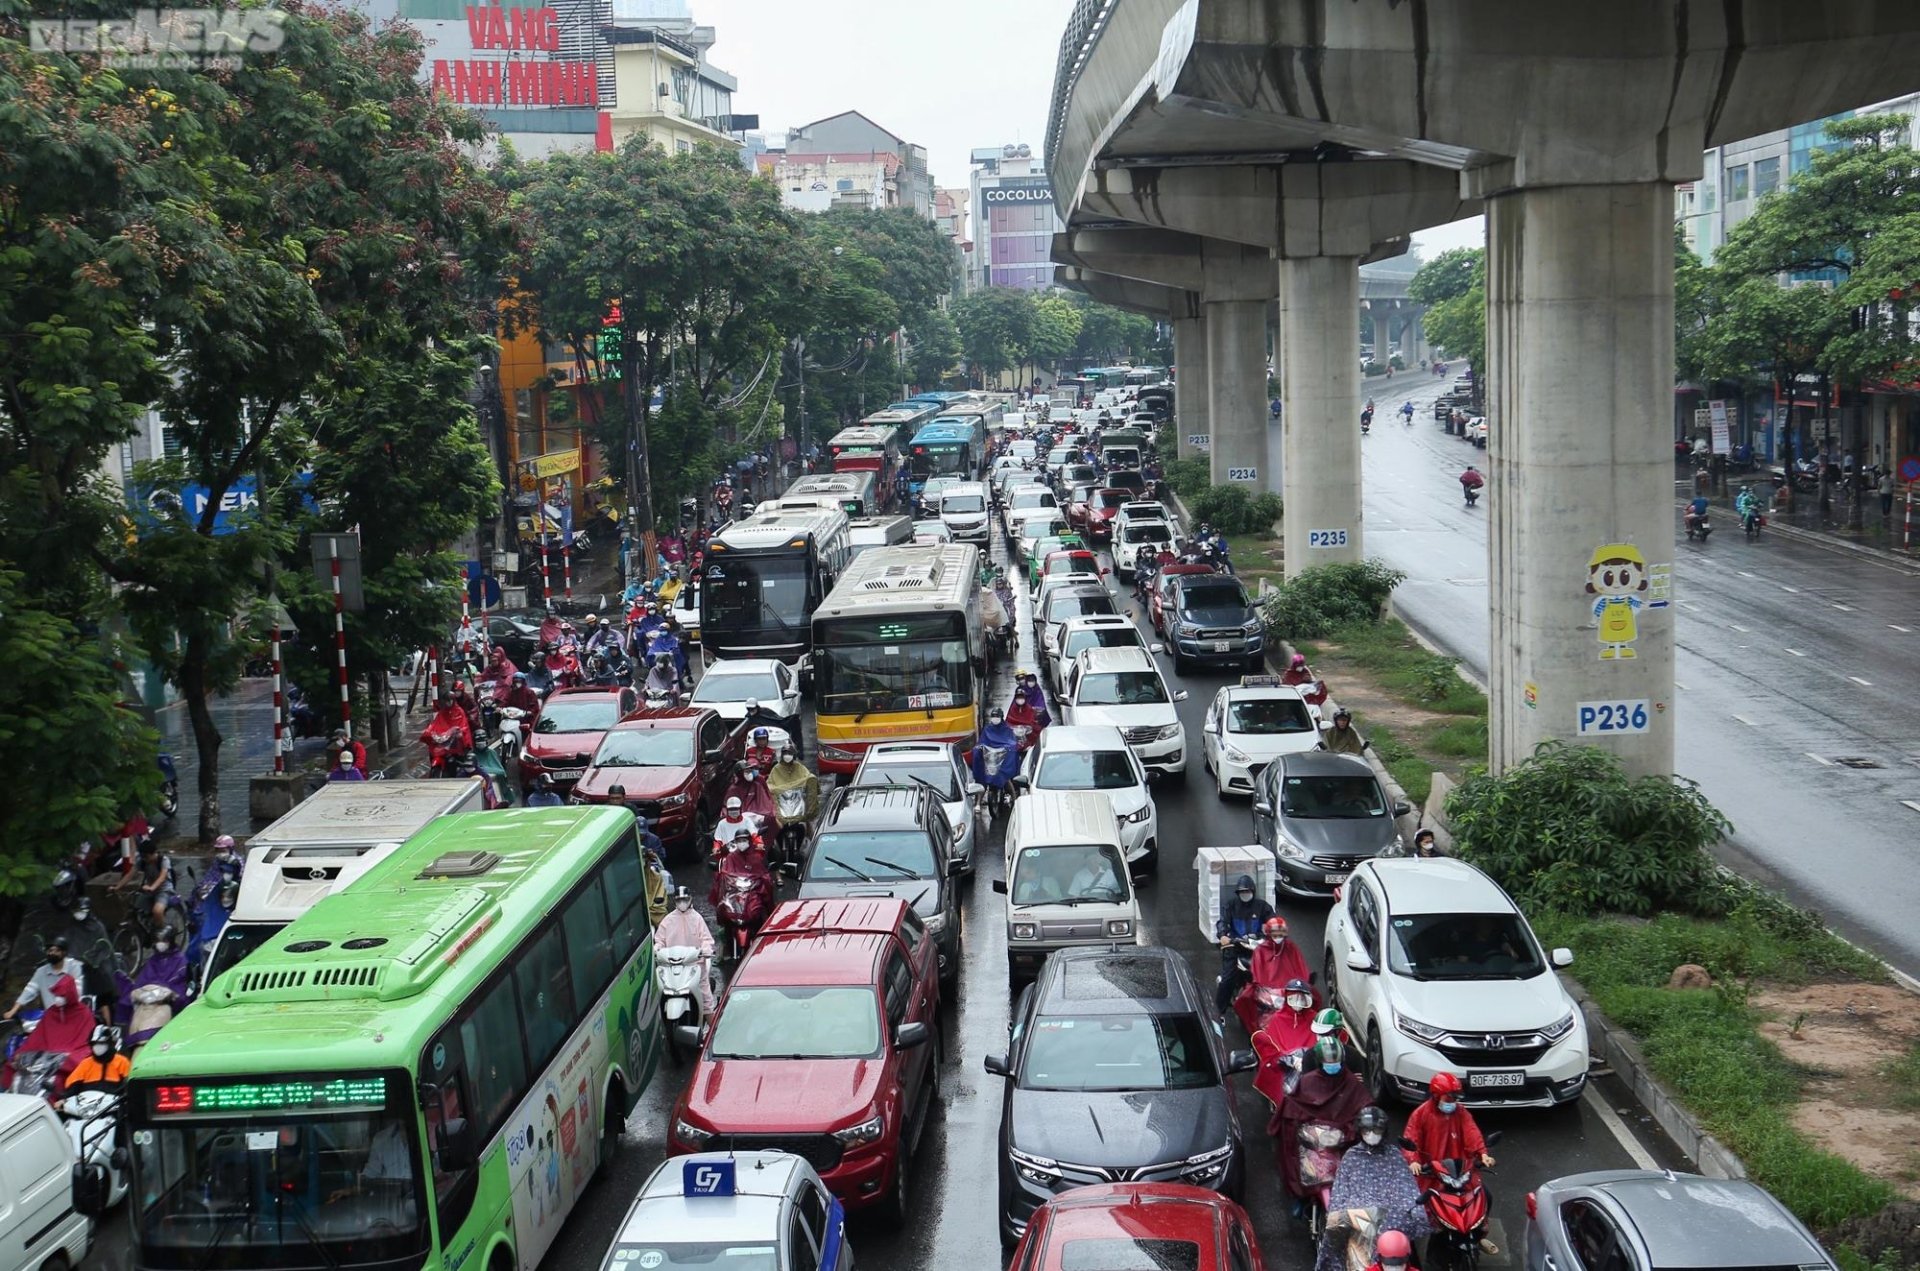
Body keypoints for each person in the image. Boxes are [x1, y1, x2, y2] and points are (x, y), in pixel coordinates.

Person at [1313, 1107, 1430, 1271]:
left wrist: (1415, 1210)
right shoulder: (1351, 1157)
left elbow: (1407, 1188)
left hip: (1390, 1215)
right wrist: (1338, 1216)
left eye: (1376, 1129)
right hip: (1358, 1216)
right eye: (1367, 1130)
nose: (1372, 1134)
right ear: (1360, 1131)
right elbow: (1340, 1193)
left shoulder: (1394, 1155)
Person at [1401, 1072, 1497, 1254]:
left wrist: (1482, 1154)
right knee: (1424, 1210)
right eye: (1449, 1097)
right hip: (1433, 1174)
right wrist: (1413, 1161)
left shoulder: (1461, 1112)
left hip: (1460, 1171)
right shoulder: (1420, 1114)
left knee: (1486, 1196)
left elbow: (1472, 1133)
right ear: (1436, 1096)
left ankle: (1478, 1236)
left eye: (1454, 1098)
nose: (1452, 1102)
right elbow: (1411, 1139)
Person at [1276, 1036, 1372, 1211]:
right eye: (1329, 1061)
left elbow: (1363, 1104)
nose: (1332, 1065)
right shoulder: (1307, 1081)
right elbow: (1294, 1105)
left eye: (1335, 1061)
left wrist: (1354, 1127)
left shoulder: (1351, 1082)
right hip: (1313, 1143)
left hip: (1341, 1143)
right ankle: (1303, 1198)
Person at [1214, 874, 1275, 1012]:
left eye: (1247, 891)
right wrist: (1223, 935)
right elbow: (1222, 922)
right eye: (1242, 892)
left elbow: (1273, 921)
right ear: (1238, 893)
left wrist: (1277, 932)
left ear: (1253, 891)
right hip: (1235, 947)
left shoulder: (1262, 906)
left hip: (1258, 947)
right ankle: (1219, 1013)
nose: (1245, 894)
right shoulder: (1230, 906)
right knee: (1228, 979)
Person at [655, 886, 717, 1014]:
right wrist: (657, 949)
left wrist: (706, 950)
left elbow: (706, 939)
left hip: (695, 966)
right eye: (679, 900)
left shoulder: (697, 919)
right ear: (675, 901)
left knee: (707, 1003)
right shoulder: (668, 920)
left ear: (690, 899)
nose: (682, 903)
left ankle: (715, 1031)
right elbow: (659, 940)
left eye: (685, 899)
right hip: (673, 968)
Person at [6, 938, 86, 1020]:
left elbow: (77, 991)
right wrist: (13, 1010)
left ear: (64, 952)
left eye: (56, 951)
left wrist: (62, 1001)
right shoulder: (41, 971)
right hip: (51, 1017)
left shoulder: (74, 967)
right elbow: (29, 990)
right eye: (50, 950)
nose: (52, 953)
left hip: (72, 1015)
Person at [58, 1025, 131, 1105]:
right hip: (87, 1108)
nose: (97, 1046)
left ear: (109, 1043)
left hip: (114, 1107)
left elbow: (130, 1085)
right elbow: (72, 1086)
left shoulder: (122, 1062)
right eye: (94, 1044)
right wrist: (63, 1099)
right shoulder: (86, 1064)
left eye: (101, 1043)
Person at [115, 839, 177, 929]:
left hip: (163, 890)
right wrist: (117, 887)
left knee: (157, 911)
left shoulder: (164, 860)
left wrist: (152, 887)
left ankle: (162, 934)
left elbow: (162, 877)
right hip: (148, 890)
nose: (145, 859)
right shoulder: (142, 861)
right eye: (143, 856)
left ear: (154, 853)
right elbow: (130, 874)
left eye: (146, 856)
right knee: (134, 907)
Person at [1250, 915, 1314, 1001]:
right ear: (1269, 934)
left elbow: (1300, 967)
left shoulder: (1290, 947)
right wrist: (1261, 988)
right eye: (1275, 935)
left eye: (1280, 935)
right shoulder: (1260, 950)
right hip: (1268, 992)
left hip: (1290, 990)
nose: (1278, 938)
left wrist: (1303, 984)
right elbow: (1257, 973)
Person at [971, 709, 1022, 796]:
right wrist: (979, 748)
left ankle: (1014, 798)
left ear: (1001, 718)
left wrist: (1010, 748)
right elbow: (982, 742)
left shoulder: (1007, 729)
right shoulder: (987, 729)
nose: (995, 719)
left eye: (997, 717)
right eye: (993, 717)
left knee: (1006, 779)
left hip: (1003, 762)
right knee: (981, 780)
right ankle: (978, 802)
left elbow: (1011, 742)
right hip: (990, 760)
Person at [421, 695, 474, 769]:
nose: (448, 703)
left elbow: (463, 724)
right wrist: (429, 731)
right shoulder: (442, 712)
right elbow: (436, 723)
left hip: (455, 739)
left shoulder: (459, 711)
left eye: (450, 700)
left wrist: (459, 731)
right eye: (446, 701)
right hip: (445, 738)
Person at [1005, 674, 1051, 746]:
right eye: (1018, 698)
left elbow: (1040, 704)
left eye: (1022, 698)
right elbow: (1009, 721)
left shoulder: (1030, 707)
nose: (1020, 700)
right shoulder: (1013, 708)